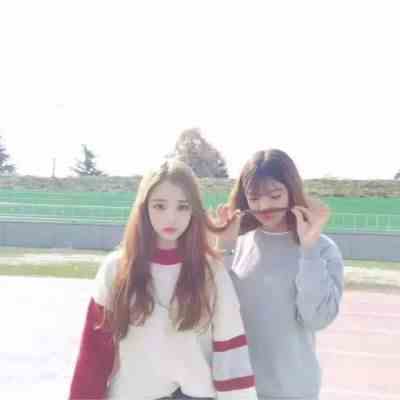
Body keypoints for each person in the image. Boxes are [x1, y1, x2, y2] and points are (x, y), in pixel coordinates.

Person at [69, 160, 257, 400]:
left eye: (182, 207)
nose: (171, 218)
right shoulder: (116, 268)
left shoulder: (211, 271)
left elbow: (231, 348)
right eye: (159, 206)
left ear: (194, 211)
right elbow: (94, 352)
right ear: (144, 207)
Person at [215, 149, 344, 400]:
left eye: (275, 195)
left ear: (292, 191)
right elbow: (215, 311)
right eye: (254, 198)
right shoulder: (237, 244)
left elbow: (317, 319)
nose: (264, 206)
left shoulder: (323, 248)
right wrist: (224, 248)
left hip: (293, 390)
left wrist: (308, 250)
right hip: (237, 388)